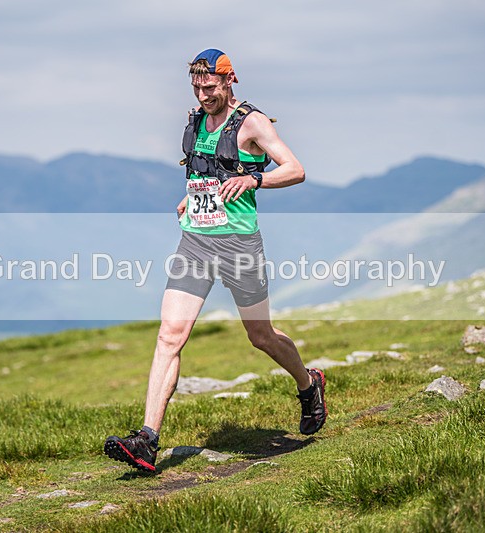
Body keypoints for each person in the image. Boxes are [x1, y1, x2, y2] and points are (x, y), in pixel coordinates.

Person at [104, 49, 327, 472]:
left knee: (261, 336)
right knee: (170, 334)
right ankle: (147, 440)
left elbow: (295, 169)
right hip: (196, 244)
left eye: (210, 87)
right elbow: (206, 171)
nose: (203, 94)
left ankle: (308, 383)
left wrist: (255, 178)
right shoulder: (195, 121)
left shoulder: (252, 122)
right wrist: (191, 198)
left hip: (240, 245)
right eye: (197, 87)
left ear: (229, 82)